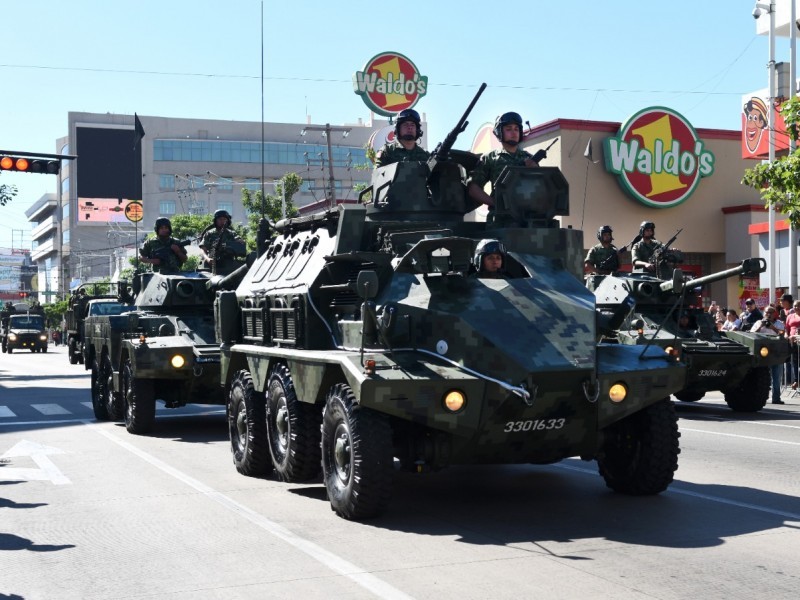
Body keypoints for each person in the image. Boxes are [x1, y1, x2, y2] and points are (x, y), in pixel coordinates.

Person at [467, 111, 539, 208]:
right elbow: (473, 188)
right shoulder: (490, 158)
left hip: (526, 217)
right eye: (509, 129)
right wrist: (495, 203)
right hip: (500, 220)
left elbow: (541, 189)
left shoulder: (529, 158)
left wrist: (535, 171)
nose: (514, 133)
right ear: (499, 132)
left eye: (516, 129)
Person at [751, 305, 786, 404]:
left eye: (771, 312)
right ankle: (761, 397)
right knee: (762, 377)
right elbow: (751, 333)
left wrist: (773, 328)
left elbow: (782, 334)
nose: (769, 314)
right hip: (762, 354)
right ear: (763, 313)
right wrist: (761, 326)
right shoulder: (759, 322)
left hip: (776, 353)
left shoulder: (778, 324)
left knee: (776, 377)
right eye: (767, 312)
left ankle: (776, 398)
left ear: (775, 314)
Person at [199, 209, 247, 275]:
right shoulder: (209, 234)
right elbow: (203, 250)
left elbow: (239, 241)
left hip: (228, 263)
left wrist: (240, 241)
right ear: (216, 221)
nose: (222, 221)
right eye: (220, 219)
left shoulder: (231, 234)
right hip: (212, 264)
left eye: (224, 219)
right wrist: (207, 259)